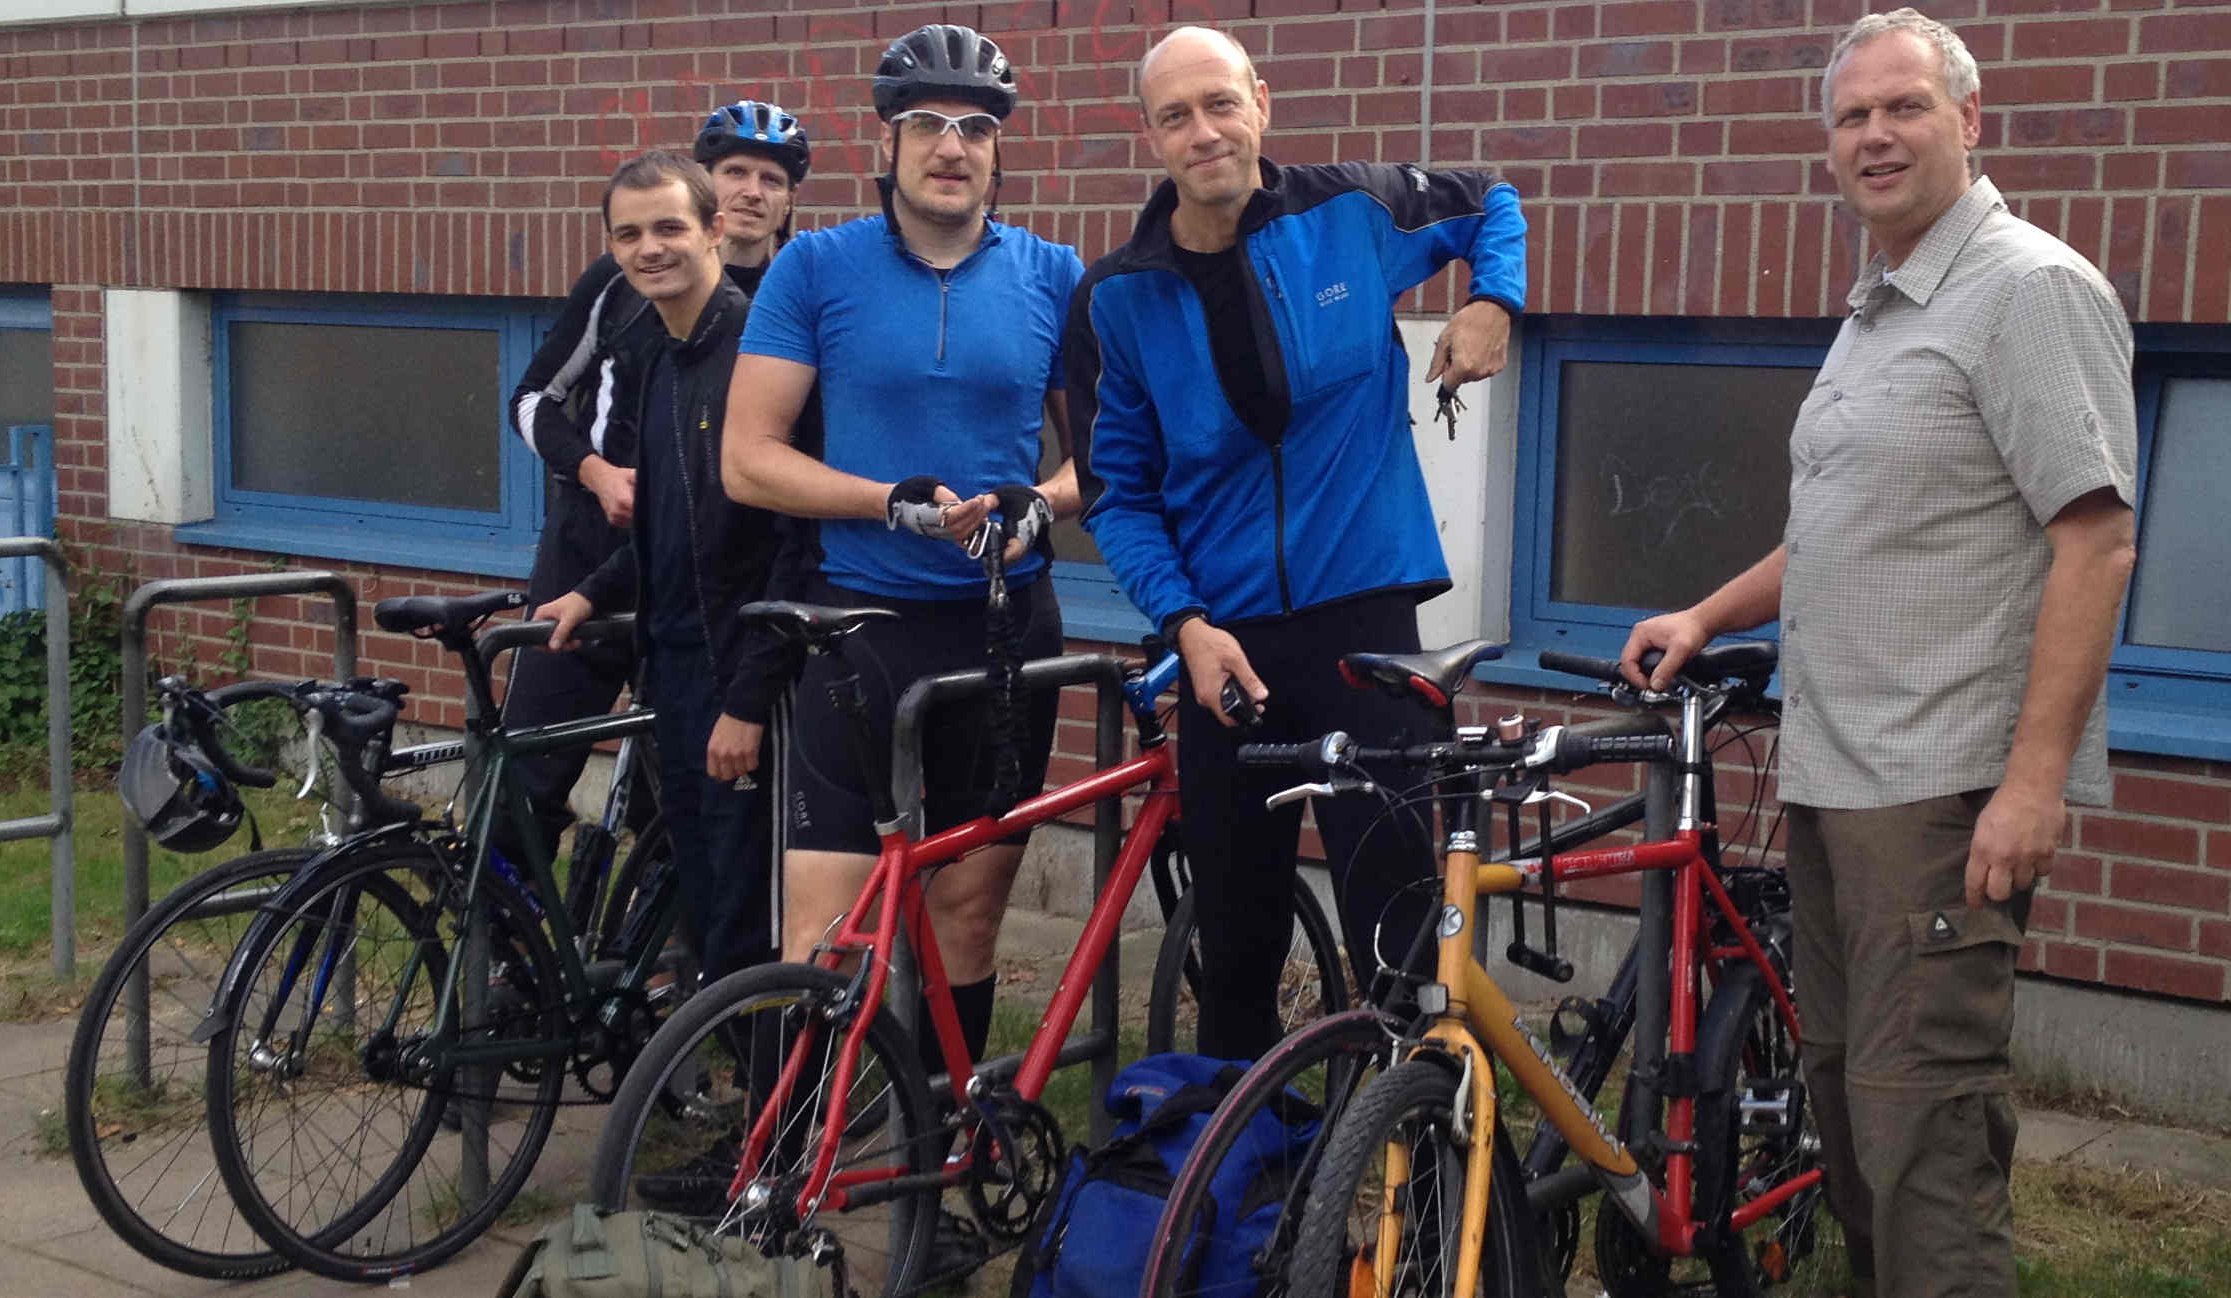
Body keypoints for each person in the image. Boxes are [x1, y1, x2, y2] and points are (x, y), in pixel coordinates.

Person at [1616, 11, 2140, 1296]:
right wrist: (1705, 615)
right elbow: (1839, 535)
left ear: (1970, 120)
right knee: (1851, 1124)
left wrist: (2030, 785)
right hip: (1836, 778)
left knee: (1925, 1147)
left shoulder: (2026, 289)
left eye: (1903, 108)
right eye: (1851, 118)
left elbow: (2097, 542)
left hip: (1937, 797)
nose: (1875, 136)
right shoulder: (1879, 313)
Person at [1061, 25, 1526, 1062]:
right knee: (1233, 946)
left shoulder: (1349, 210)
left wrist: (1494, 300)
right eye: (1175, 115)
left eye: (1220, 103)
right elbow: (1118, 495)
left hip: (1368, 625)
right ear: (1150, 135)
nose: (1204, 131)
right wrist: (1182, 622)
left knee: (1399, 931)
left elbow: (1492, 196)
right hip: (1226, 646)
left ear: (1260, 102)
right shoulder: (1115, 299)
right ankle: (1249, 1190)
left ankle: (1430, 1183)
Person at [715, 24, 1083, 1280]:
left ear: (996, 151)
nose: (951, 146)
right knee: (823, 937)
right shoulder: (815, 266)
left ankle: (943, 1173)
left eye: (975, 128)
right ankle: (779, 1180)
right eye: (927, 123)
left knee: (966, 915)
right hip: (860, 626)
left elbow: (1108, 455)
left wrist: (1046, 501)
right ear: (887, 139)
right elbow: (749, 454)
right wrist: (889, 501)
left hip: (1000, 631)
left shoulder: (1052, 274)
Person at [536, 151, 814, 1000]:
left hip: (745, 683)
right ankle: (732, 1095)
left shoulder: (758, 358)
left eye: (669, 228)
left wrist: (747, 700)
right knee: (701, 905)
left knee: (748, 918)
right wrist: (594, 590)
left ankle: (777, 1119)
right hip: (675, 672)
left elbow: (796, 545)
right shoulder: (657, 357)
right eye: (628, 234)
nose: (649, 249)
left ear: (715, 229)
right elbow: (668, 524)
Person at [499, 101, 809, 857]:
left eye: (772, 177)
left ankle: (658, 960)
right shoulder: (625, 277)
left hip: (702, 583)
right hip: (591, 556)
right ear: (705, 186)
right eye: (734, 170)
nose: (751, 190)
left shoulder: (787, 301)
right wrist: (597, 473)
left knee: (670, 800)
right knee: (525, 772)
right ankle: (515, 956)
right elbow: (532, 400)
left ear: (790, 198)